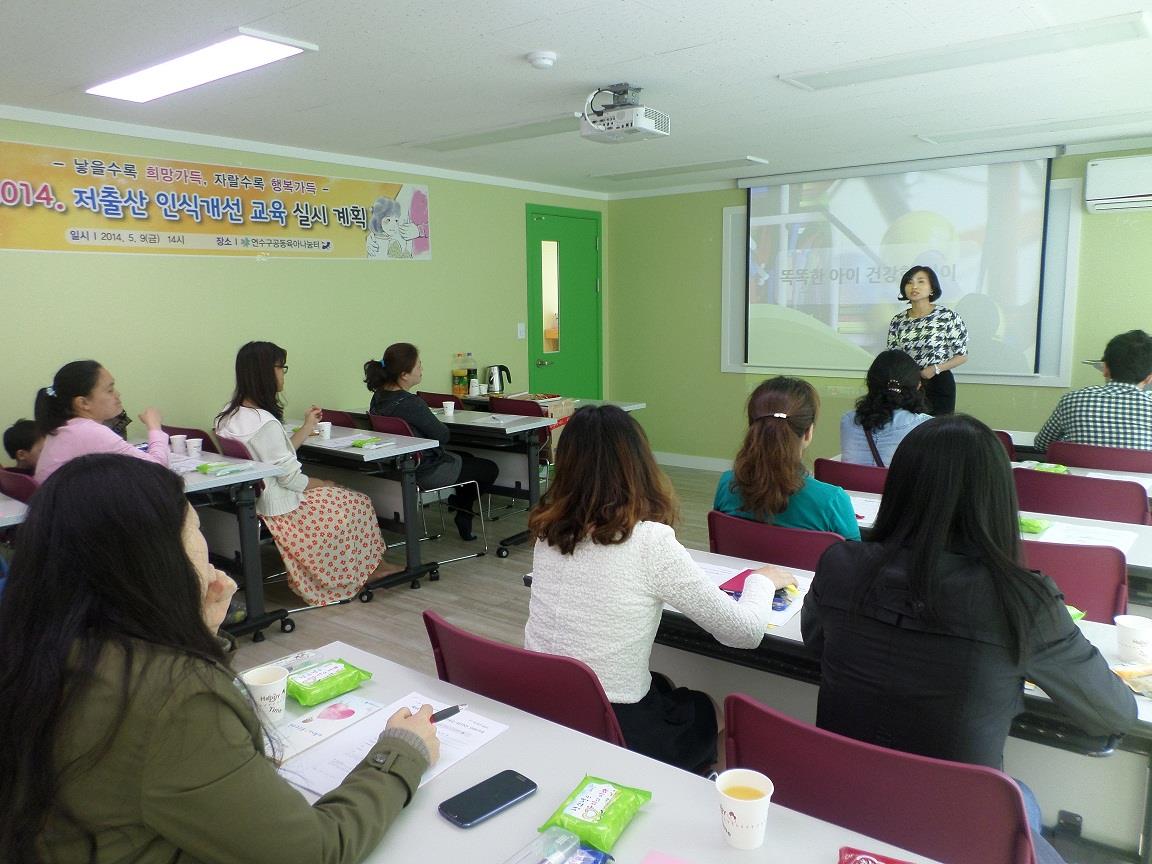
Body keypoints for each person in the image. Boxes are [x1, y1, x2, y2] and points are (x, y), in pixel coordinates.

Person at [0, 454, 438, 864]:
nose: (205, 550)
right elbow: (313, 851)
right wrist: (401, 753)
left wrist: (198, 636)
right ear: (157, 559)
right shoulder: (174, 695)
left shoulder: (38, 647)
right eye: (195, 530)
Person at [802, 415, 1136, 864]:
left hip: (838, 803)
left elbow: (818, 644)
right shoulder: (1022, 598)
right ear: (998, 497)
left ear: (898, 486)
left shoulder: (840, 563)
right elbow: (1112, 713)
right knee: (1023, 803)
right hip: (954, 828)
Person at [524, 405, 795, 772]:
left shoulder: (548, 532)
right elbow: (744, 632)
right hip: (614, 723)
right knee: (704, 707)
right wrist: (760, 581)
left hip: (541, 703)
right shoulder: (649, 541)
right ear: (639, 463)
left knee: (664, 687)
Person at [216, 341, 398, 605]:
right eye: (282, 368)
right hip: (281, 506)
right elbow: (291, 478)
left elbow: (278, 455)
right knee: (358, 503)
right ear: (265, 372)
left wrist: (306, 426)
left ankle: (372, 566)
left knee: (342, 496)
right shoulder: (264, 423)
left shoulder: (228, 415)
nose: (283, 374)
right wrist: (322, 482)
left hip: (258, 498)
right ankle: (365, 571)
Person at [364, 342, 497, 541]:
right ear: (404, 375)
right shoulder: (412, 403)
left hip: (398, 465)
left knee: (467, 458)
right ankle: (463, 511)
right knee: (488, 469)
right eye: (418, 366)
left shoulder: (379, 397)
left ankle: (461, 506)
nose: (421, 370)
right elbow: (443, 435)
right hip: (425, 470)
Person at [714, 377, 860, 540]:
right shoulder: (832, 500)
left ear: (752, 428)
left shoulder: (726, 485)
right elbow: (854, 561)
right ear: (808, 433)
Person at [33, 360, 168, 483]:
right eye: (109, 390)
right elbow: (158, 469)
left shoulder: (67, 429)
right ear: (83, 403)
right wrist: (154, 426)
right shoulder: (87, 431)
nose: (118, 394)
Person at [1034, 329, 1152, 452]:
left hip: (1077, 471)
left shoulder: (1071, 400)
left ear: (1105, 368)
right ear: (1150, 378)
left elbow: (1041, 444)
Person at [886, 265, 968, 415]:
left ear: (932, 289)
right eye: (909, 282)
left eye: (921, 281)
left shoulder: (946, 316)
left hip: (938, 382)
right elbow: (893, 356)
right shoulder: (898, 320)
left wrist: (935, 369)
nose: (914, 286)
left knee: (938, 433)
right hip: (907, 384)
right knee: (909, 432)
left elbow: (961, 356)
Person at [840, 350, 932, 467]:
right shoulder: (926, 426)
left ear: (870, 383)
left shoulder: (848, 420)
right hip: (897, 485)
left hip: (850, 485)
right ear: (918, 386)